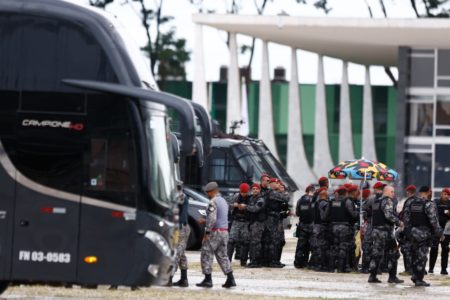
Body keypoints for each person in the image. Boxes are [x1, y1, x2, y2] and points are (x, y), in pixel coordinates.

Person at [197, 182, 236, 288]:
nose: (207, 194)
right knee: (223, 256)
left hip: (214, 232)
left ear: (213, 191)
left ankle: (208, 279)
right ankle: (230, 278)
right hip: (224, 231)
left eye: (208, 192)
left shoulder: (212, 202)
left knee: (206, 254)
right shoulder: (223, 201)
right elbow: (220, 217)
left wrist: (207, 232)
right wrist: (205, 220)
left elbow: (213, 218)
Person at [403, 186, 443, 286]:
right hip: (424, 234)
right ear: (428, 192)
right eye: (430, 191)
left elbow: (406, 218)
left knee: (414, 255)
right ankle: (419, 279)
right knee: (422, 257)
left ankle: (414, 275)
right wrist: (440, 233)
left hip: (413, 233)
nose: (431, 193)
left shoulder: (411, 202)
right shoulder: (429, 204)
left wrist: (408, 231)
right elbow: (434, 221)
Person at [368, 185, 404, 284]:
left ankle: (372, 276)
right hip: (385, 232)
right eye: (392, 192)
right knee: (394, 253)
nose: (393, 194)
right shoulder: (387, 200)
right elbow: (388, 215)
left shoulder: (376, 201)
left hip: (376, 230)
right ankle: (392, 277)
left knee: (376, 254)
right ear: (386, 192)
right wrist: (399, 222)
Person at [329, 186, 359, 273]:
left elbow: (327, 214)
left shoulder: (333, 202)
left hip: (333, 227)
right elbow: (353, 214)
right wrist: (357, 213)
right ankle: (341, 268)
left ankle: (331, 267)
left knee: (334, 247)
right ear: (345, 193)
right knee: (343, 247)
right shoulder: (347, 201)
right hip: (344, 227)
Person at [263, 178, 288, 268]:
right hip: (272, 219)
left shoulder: (269, 193)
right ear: (272, 184)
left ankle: (268, 261)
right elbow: (286, 198)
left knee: (270, 240)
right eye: (276, 183)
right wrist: (282, 191)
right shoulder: (272, 193)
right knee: (274, 241)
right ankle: (273, 261)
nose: (278, 184)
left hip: (272, 219)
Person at [228, 183, 251, 266]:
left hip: (246, 221)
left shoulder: (251, 198)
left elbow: (254, 207)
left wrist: (246, 207)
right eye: (242, 192)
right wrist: (233, 205)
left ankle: (243, 261)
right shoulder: (236, 196)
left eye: (245, 192)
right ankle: (228, 260)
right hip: (236, 221)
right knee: (231, 241)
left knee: (245, 241)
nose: (243, 194)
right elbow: (228, 204)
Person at [171, 190, 191, 287]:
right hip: (179, 227)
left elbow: (181, 214)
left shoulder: (180, 195)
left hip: (181, 227)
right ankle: (184, 279)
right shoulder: (177, 194)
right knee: (181, 254)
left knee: (176, 252)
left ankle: (169, 278)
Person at [428, 188, 450, 275]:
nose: (446, 196)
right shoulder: (435, 202)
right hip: (436, 229)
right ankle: (431, 268)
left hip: (447, 230)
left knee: (445, 249)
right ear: (441, 194)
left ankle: (444, 269)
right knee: (434, 248)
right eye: (445, 194)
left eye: (448, 195)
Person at [244, 183, 266, 268]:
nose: (255, 190)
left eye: (257, 189)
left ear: (259, 190)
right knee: (252, 243)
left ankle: (256, 261)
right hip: (252, 223)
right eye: (253, 189)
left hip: (258, 223)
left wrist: (246, 207)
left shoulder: (261, 199)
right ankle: (252, 260)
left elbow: (256, 209)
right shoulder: (251, 198)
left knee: (256, 243)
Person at [294, 184, 315, 268]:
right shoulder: (314, 200)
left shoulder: (300, 200)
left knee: (300, 245)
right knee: (308, 246)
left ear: (306, 191)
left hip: (302, 225)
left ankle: (297, 262)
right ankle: (305, 262)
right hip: (312, 225)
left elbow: (297, 213)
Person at [397, 185, 417, 275]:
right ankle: (416, 269)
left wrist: (403, 227)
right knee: (415, 250)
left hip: (408, 228)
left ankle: (408, 269)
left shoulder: (408, 202)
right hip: (417, 229)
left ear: (408, 192)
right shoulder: (418, 200)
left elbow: (405, 216)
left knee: (406, 249)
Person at [309, 188, 330, 271]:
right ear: (325, 195)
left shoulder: (314, 204)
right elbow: (325, 216)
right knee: (322, 246)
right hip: (321, 226)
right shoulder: (324, 203)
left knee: (315, 245)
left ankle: (313, 263)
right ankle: (320, 264)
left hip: (314, 226)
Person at [360, 188, 372, 273]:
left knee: (365, 246)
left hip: (364, 226)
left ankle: (365, 266)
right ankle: (367, 267)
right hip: (368, 226)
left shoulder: (363, 203)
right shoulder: (369, 202)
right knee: (367, 246)